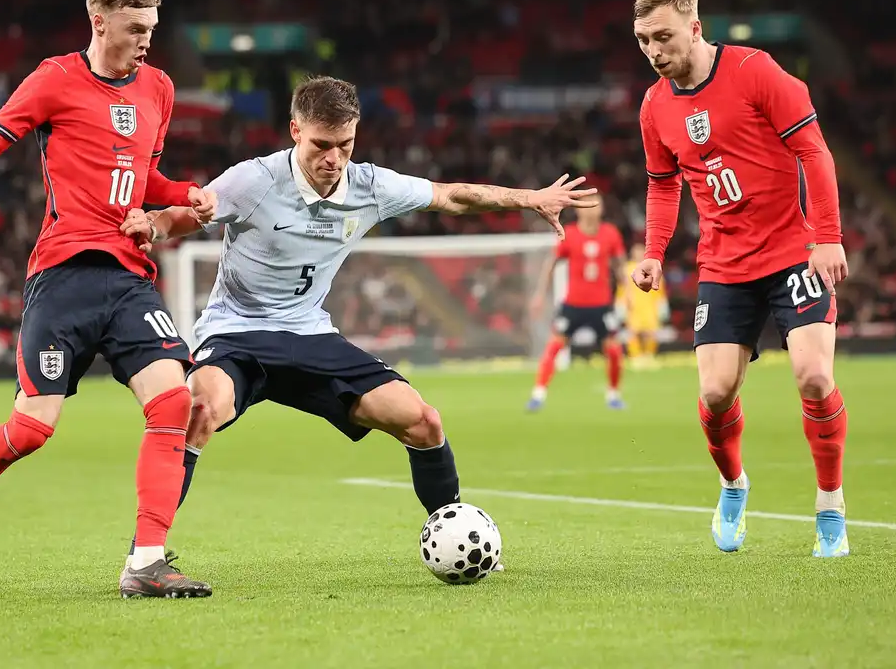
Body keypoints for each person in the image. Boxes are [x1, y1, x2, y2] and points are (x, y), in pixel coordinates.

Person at [118, 76, 596, 576]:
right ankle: (147, 555)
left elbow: (450, 196)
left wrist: (530, 198)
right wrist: (152, 225)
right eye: (321, 145)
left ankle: (454, 531)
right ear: (295, 130)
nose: (333, 159)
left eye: (344, 145)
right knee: (198, 409)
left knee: (424, 422)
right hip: (237, 332)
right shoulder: (253, 180)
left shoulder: (370, 185)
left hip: (311, 335)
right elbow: (185, 217)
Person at [0, 0, 218, 598]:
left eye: (152, 28)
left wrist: (186, 193)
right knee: (32, 429)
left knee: (174, 402)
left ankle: (146, 562)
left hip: (129, 278)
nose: (146, 40)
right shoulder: (55, 79)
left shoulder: (158, 87)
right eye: (135, 29)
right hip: (65, 277)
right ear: (99, 22)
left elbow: (141, 180)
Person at [629, 0, 849, 557]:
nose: (654, 50)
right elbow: (661, 184)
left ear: (696, 28)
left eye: (664, 36)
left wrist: (827, 237)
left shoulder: (756, 71)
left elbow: (815, 152)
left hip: (791, 252)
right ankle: (733, 484)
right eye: (644, 40)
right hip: (724, 265)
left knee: (814, 378)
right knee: (717, 391)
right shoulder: (654, 106)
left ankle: (830, 503)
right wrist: (653, 251)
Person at [526, 195, 627, 412]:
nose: (591, 210)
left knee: (614, 351)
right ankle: (538, 394)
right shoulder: (569, 234)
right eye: (588, 205)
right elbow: (551, 263)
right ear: (579, 210)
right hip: (574, 304)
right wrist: (540, 294)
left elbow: (619, 266)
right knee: (554, 347)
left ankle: (613, 394)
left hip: (602, 305)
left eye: (596, 205)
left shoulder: (610, 233)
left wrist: (627, 293)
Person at [621, 243, 668, 360]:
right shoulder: (627, 269)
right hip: (634, 306)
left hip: (649, 305)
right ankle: (635, 356)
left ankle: (649, 355)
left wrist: (662, 304)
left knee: (650, 332)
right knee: (633, 332)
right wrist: (621, 304)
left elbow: (661, 288)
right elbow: (622, 289)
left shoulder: (653, 267)